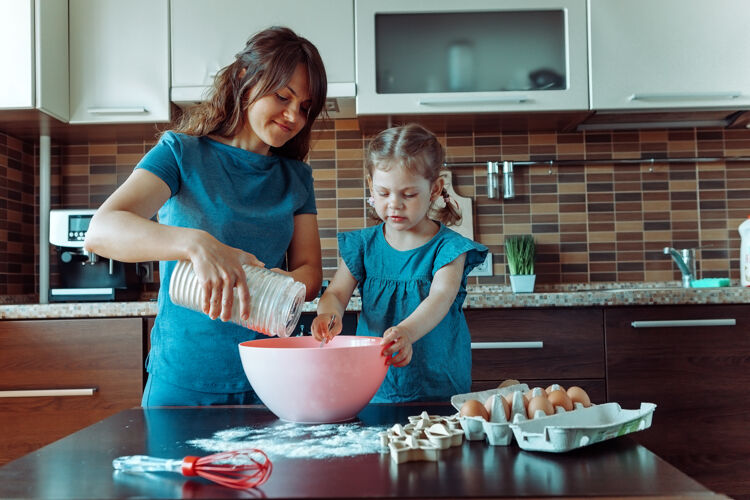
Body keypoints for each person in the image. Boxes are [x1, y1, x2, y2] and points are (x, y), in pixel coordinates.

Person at [84, 26, 327, 406]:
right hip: (184, 378)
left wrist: (288, 284)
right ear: (246, 79)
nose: (293, 115)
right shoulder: (181, 153)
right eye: (283, 96)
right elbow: (101, 229)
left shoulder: (295, 178)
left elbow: (311, 269)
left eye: (305, 107)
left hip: (272, 379)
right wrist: (196, 244)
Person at [311, 123, 488, 403]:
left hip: (438, 387)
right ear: (371, 185)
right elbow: (336, 293)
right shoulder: (364, 246)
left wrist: (406, 332)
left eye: (408, 194)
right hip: (374, 386)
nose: (394, 204)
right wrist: (328, 315)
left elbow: (440, 297)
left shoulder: (450, 248)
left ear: (434, 189)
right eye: (383, 193)